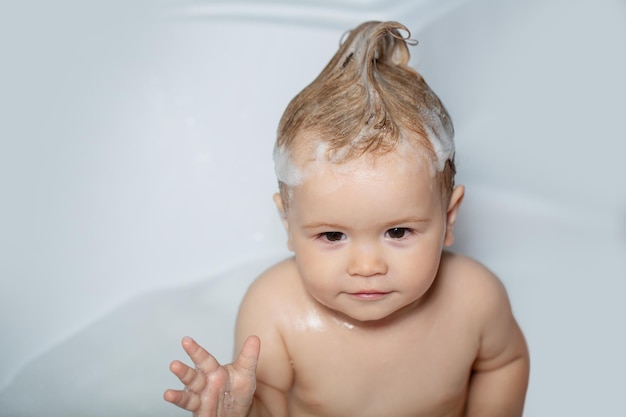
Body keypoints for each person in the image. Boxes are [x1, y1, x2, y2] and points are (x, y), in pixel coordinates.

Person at [163, 20, 530, 417]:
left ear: (448, 217)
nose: (367, 266)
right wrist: (238, 411)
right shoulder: (276, 310)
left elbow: (502, 363)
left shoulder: (474, 299)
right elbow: (268, 407)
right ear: (288, 225)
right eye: (333, 236)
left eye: (398, 231)